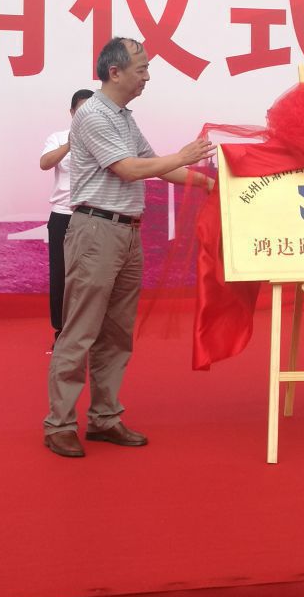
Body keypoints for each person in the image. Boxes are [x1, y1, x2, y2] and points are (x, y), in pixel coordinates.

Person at [42, 37, 215, 459]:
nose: (147, 76)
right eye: (141, 68)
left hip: (127, 232)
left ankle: (104, 417)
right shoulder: (93, 114)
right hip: (95, 230)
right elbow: (129, 169)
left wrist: (209, 184)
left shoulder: (123, 117)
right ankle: (60, 423)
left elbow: (155, 165)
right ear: (114, 72)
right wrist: (183, 156)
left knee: (117, 333)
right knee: (80, 329)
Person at [40, 88, 95, 341]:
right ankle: (61, 331)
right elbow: (45, 163)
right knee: (61, 274)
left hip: (94, 214)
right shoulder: (58, 137)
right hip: (63, 215)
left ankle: (89, 330)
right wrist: (70, 143)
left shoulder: (104, 138)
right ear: (72, 112)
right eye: (81, 110)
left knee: (92, 275)